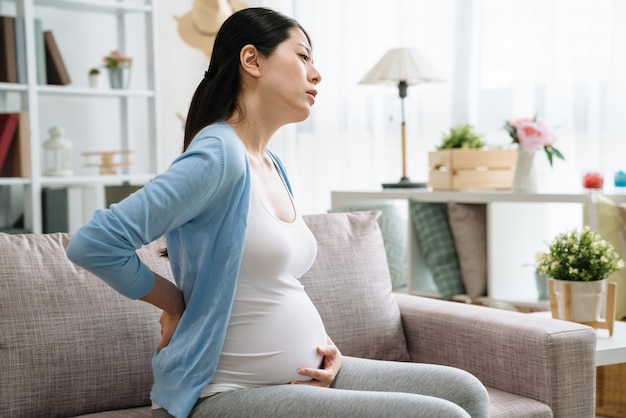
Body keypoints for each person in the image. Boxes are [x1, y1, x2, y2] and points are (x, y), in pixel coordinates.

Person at [66, 7, 489, 418]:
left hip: (309, 373)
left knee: (465, 392)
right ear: (252, 59)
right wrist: (177, 304)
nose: (316, 72)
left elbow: (268, 285)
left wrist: (322, 345)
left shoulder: (271, 163)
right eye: (303, 56)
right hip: (228, 391)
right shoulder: (217, 156)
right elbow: (95, 244)